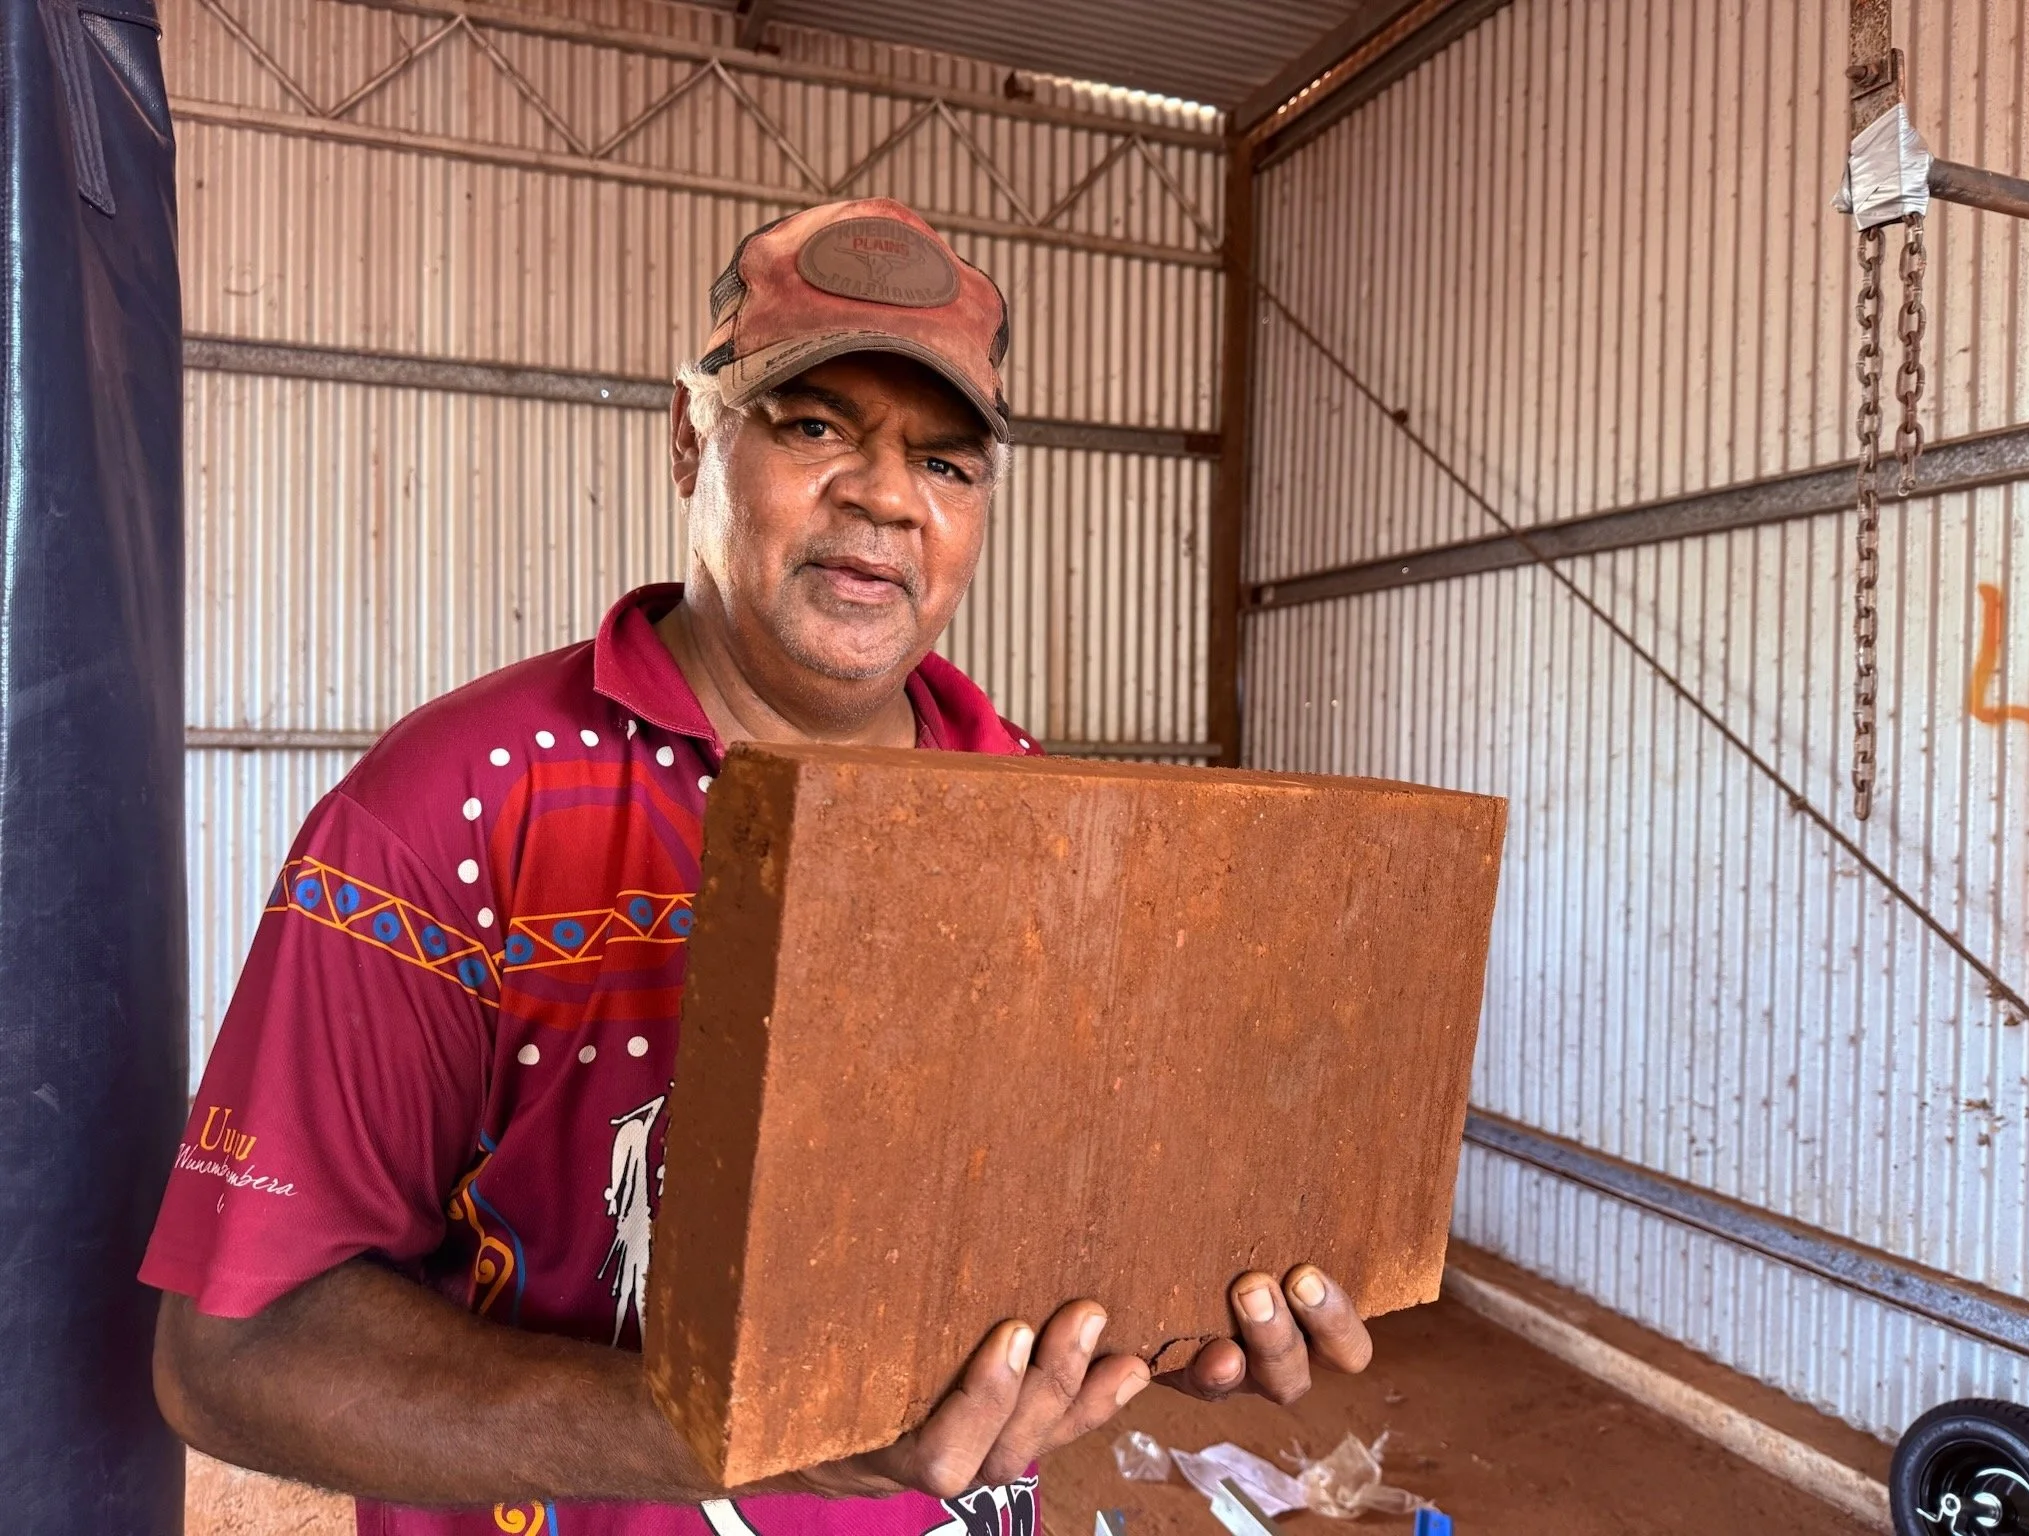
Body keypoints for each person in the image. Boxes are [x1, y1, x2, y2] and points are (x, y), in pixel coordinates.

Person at [144, 198, 1374, 1536]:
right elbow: (236, 1351)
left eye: (947, 465)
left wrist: (1189, 1303)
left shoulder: (1050, 823)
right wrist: (718, 1436)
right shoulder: (454, 812)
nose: (888, 497)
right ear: (691, 436)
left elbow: (1060, 1236)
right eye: (815, 426)